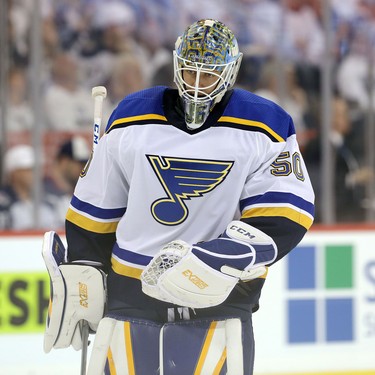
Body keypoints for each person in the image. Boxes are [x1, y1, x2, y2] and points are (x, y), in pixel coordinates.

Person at [45, 19, 315, 374]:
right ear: (176, 65)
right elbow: (94, 210)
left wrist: (223, 257)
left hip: (217, 298)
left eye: (208, 75)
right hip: (131, 293)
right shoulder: (132, 116)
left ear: (230, 72)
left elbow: (287, 213)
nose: (197, 85)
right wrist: (87, 268)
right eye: (189, 72)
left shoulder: (265, 124)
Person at [0, 144, 59, 230]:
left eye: (38, 169)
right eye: (29, 169)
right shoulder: (3, 203)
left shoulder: (49, 201)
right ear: (14, 173)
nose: (36, 174)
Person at [44, 135, 91, 228]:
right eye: (81, 164)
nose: (85, 169)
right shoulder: (42, 192)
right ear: (64, 162)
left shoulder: (82, 194)